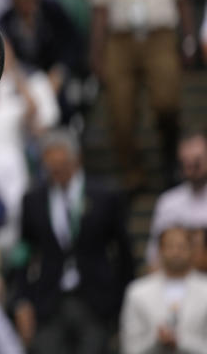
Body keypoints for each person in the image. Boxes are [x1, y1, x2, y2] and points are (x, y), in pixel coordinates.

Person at [88, 0, 197, 190]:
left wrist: (188, 39)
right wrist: (97, 53)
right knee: (120, 113)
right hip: (120, 40)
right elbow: (99, 9)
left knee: (167, 102)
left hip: (159, 36)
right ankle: (133, 174)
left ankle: (170, 159)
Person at [14, 130, 134, 354]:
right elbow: (23, 253)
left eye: (61, 165)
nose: (56, 171)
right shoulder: (33, 200)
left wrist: (121, 301)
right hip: (49, 300)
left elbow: (124, 252)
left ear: (76, 159)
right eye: (50, 167)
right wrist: (22, 300)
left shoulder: (104, 196)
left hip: (95, 299)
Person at [121, 226, 207, 354]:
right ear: (160, 250)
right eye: (170, 246)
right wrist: (157, 340)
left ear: (191, 250)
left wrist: (180, 341)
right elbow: (129, 347)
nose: (176, 252)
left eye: (181, 246)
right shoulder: (137, 292)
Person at [146, 132, 207, 266]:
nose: (192, 169)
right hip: (178, 277)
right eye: (187, 164)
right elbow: (154, 256)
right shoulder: (168, 202)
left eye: (197, 162)